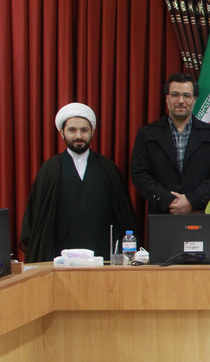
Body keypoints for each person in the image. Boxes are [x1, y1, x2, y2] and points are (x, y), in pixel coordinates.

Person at [20, 103, 137, 262]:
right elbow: (38, 221)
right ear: (62, 133)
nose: (79, 136)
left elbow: (124, 217)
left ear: (92, 132)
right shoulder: (49, 170)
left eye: (84, 130)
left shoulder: (108, 169)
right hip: (59, 258)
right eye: (72, 130)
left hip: (101, 257)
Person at [131, 72, 210, 215]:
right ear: (167, 98)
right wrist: (167, 201)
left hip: (200, 213)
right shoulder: (147, 134)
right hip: (162, 214)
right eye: (175, 95)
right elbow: (140, 174)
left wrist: (192, 201)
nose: (181, 101)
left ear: (194, 99)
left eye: (186, 96)